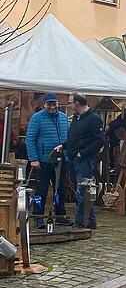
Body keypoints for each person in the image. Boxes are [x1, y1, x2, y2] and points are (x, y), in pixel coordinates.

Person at [27, 92, 71, 228]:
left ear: (58, 104)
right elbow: (30, 139)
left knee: (61, 189)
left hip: (60, 160)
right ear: (44, 104)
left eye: (54, 104)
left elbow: (69, 139)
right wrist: (34, 159)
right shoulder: (37, 118)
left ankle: (59, 215)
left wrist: (67, 155)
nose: (52, 107)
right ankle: (38, 217)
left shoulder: (64, 118)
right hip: (43, 160)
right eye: (49, 104)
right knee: (41, 190)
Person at [66, 92, 105, 229]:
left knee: (83, 191)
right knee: (83, 191)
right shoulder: (77, 118)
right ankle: (91, 220)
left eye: (71, 102)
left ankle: (81, 222)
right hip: (74, 158)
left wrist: (82, 154)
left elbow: (100, 140)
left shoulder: (93, 118)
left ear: (77, 103)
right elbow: (73, 137)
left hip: (84, 160)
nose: (69, 105)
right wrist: (64, 146)